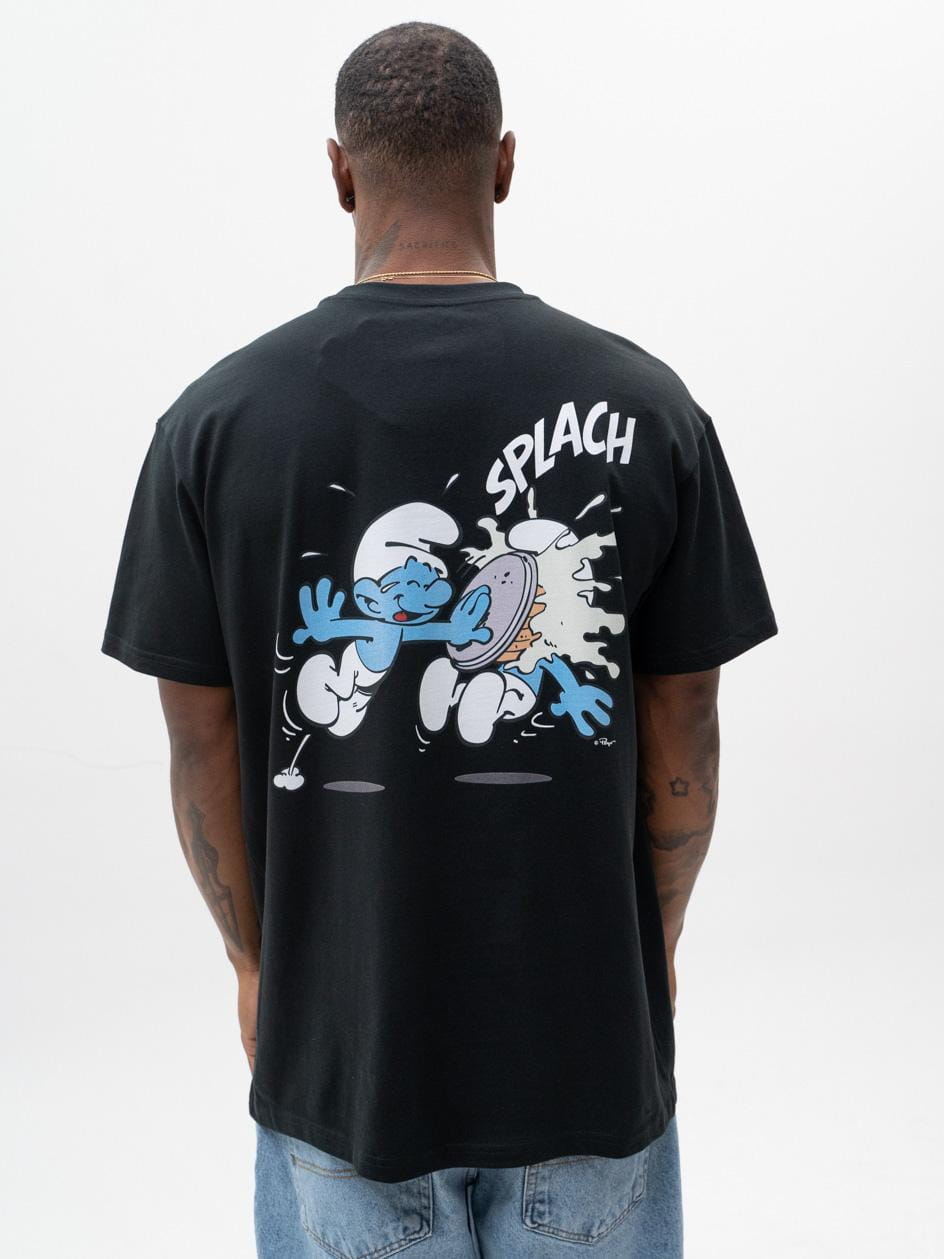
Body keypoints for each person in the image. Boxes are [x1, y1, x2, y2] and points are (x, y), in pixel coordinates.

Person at [101, 21, 777, 1258]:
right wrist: (652, 943)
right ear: (504, 163)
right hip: (585, 1044)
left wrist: (254, 965)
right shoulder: (649, 406)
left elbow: (200, 735)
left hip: (343, 1056)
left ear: (338, 171)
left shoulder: (213, 423)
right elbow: (683, 715)